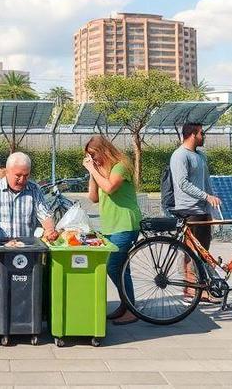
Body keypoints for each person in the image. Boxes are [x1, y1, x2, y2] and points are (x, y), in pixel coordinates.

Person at [82, 136, 140, 325]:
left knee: (113, 266)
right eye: (89, 157)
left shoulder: (121, 165)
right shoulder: (102, 169)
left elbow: (109, 188)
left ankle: (131, 309)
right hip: (110, 226)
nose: (93, 159)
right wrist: (93, 172)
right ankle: (126, 306)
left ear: (103, 150)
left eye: (93, 155)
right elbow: (93, 198)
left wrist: (93, 169)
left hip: (125, 224)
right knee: (123, 268)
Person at [169, 122, 222, 297]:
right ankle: (191, 289)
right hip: (188, 210)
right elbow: (182, 183)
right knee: (190, 252)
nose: (203, 136)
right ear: (192, 134)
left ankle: (200, 288)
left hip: (203, 211)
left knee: (203, 252)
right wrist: (206, 197)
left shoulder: (201, 156)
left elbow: (207, 184)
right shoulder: (180, 156)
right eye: (201, 133)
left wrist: (211, 209)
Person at [0, 152, 57, 241]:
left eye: (26, 175)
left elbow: (45, 215)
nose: (22, 180)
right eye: (18, 175)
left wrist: (50, 230)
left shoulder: (34, 190)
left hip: (27, 248)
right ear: (7, 172)